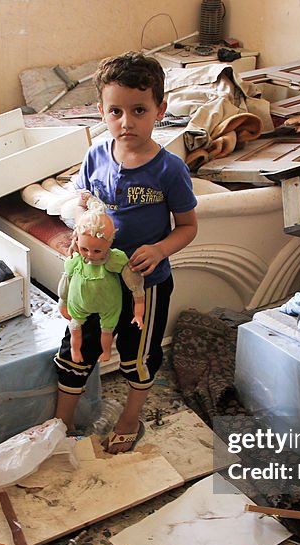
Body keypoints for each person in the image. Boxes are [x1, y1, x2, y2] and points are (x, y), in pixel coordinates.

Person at [54, 50, 198, 454]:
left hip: (144, 285)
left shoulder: (169, 170)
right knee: (75, 349)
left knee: (139, 355)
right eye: (115, 111)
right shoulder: (95, 155)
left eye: (139, 110)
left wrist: (159, 249)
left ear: (160, 110)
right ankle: (59, 424)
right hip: (93, 280)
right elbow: (82, 202)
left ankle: (130, 418)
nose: (126, 122)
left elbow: (187, 227)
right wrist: (80, 223)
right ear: (101, 110)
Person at [58, 203, 145, 364]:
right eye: (84, 249)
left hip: (109, 305)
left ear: (109, 244)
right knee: (75, 329)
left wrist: (138, 313)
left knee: (107, 331)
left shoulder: (114, 260)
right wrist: (62, 303)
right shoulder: (75, 261)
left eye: (97, 251)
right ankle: (74, 349)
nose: (90, 255)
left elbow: (135, 285)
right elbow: (65, 284)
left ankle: (106, 352)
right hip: (79, 303)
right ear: (77, 241)